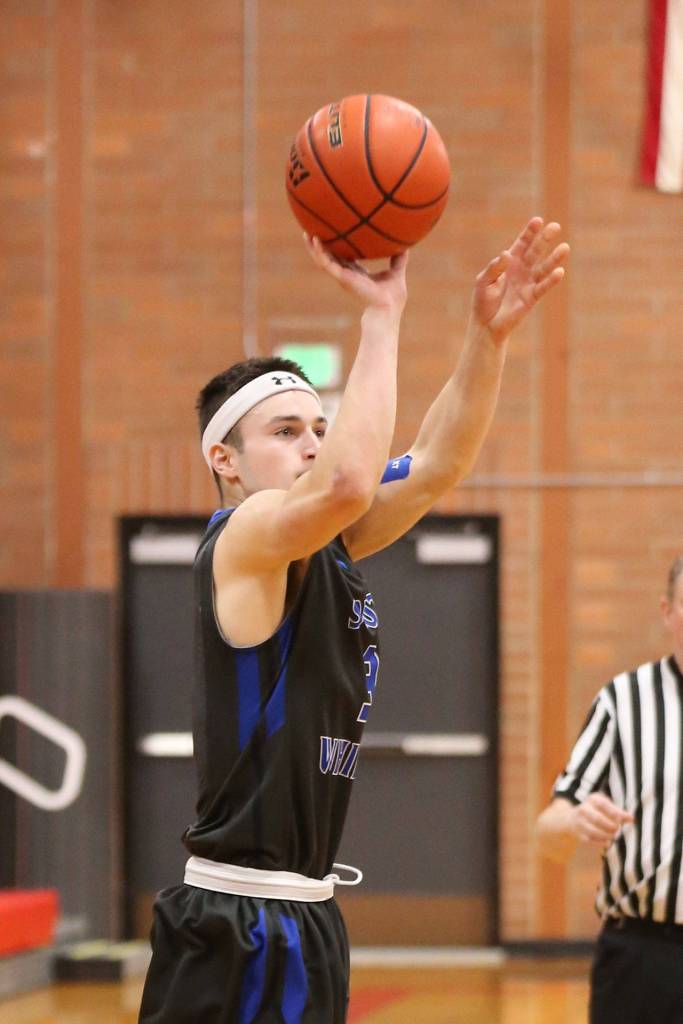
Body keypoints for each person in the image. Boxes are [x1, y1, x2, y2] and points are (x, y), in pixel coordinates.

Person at [138, 220, 568, 1024]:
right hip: (240, 919)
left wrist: (486, 340)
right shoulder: (244, 539)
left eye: (319, 429)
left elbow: (436, 463)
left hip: (306, 913)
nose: (311, 445)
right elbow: (346, 484)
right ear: (223, 459)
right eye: (285, 432)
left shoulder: (326, 545)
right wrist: (381, 313)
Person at [537, 555, 683, 1024]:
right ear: (667, 612)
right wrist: (574, 821)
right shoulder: (623, 701)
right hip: (642, 958)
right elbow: (549, 831)